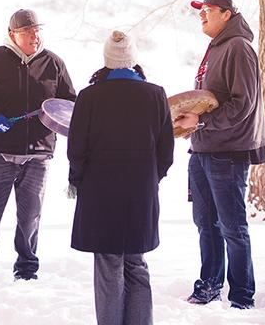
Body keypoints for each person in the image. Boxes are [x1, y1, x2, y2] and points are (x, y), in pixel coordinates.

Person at [67, 30, 174, 325]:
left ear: (107, 59)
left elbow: (76, 149)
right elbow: (166, 151)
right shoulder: (155, 94)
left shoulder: (89, 96)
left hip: (100, 195)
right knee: (137, 263)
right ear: (133, 59)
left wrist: (78, 181)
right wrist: (150, 179)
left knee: (108, 265)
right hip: (141, 193)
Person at [0, 9, 76, 286]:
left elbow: (69, 103)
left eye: (37, 30)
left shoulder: (54, 64)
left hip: (38, 154)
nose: (34, 36)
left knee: (30, 218)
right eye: (28, 32)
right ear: (12, 33)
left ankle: (26, 270)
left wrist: (60, 120)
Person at [174, 0, 265, 309]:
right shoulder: (215, 48)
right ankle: (210, 286)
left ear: (227, 13)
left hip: (227, 153)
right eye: (200, 9)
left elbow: (243, 104)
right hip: (202, 151)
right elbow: (208, 102)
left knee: (233, 227)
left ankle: (242, 295)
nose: (202, 14)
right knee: (206, 224)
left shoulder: (239, 48)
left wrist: (199, 123)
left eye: (208, 9)